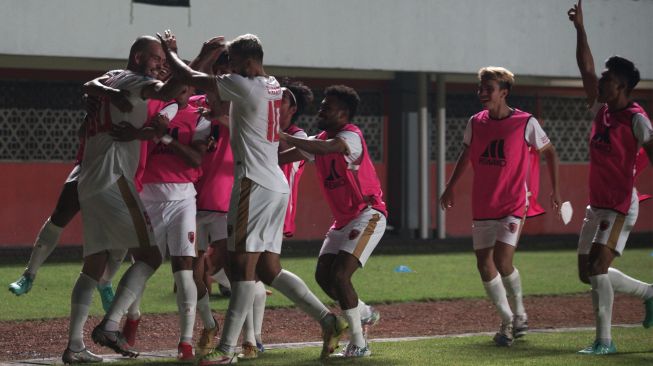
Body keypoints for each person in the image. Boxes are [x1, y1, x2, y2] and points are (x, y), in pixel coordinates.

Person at [159, 33, 348, 364]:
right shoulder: (272, 84)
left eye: (231, 63)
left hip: (253, 185)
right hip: (274, 185)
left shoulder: (245, 84)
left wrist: (173, 52)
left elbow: (190, 78)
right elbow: (238, 113)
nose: (227, 69)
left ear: (246, 62)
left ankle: (227, 349)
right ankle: (328, 320)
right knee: (269, 268)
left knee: (241, 267)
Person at [61, 33, 184, 364]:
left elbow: (91, 88)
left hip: (91, 180)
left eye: (163, 59)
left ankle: (74, 346)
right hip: (114, 180)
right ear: (140, 57)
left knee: (94, 267)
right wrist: (176, 56)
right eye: (156, 58)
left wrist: (107, 91)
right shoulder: (135, 80)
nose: (161, 64)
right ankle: (110, 326)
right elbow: (173, 87)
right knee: (150, 256)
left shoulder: (112, 77)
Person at [440, 66, 562, 347]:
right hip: (483, 202)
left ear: (504, 92)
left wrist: (556, 190)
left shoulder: (525, 122)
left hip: (513, 202)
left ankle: (519, 312)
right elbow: (467, 152)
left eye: (489, 88)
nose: (482, 93)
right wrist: (450, 186)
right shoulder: (475, 122)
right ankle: (507, 319)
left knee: (502, 260)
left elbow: (550, 152)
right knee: (484, 265)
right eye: (480, 88)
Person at [568, 0, 653, 355]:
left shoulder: (636, 119)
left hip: (619, 205)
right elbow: (586, 68)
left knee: (600, 268)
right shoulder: (601, 109)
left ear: (621, 87)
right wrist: (581, 30)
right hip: (597, 204)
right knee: (587, 273)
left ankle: (605, 341)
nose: (599, 82)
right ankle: (650, 293)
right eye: (602, 78)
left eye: (607, 79)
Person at [278, 85, 386, 357]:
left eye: (328, 106)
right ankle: (364, 311)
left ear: (344, 113)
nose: (321, 109)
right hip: (343, 220)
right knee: (323, 277)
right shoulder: (321, 140)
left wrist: (281, 134)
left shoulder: (350, 136)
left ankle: (360, 344)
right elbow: (284, 156)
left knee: (340, 275)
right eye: (322, 104)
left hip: (368, 214)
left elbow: (328, 148)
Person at [8, 73, 130, 313]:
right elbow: (83, 126)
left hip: (122, 174)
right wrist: (94, 105)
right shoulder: (106, 95)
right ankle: (29, 275)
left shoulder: (142, 101)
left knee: (124, 234)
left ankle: (105, 283)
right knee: (61, 214)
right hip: (88, 166)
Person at [137, 84, 212, 360]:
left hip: (182, 198)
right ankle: (132, 316)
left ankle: (186, 341)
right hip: (147, 195)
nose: (177, 92)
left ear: (190, 89)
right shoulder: (151, 113)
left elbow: (195, 158)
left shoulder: (199, 117)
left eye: (184, 87)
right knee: (142, 263)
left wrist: (165, 138)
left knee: (183, 269)